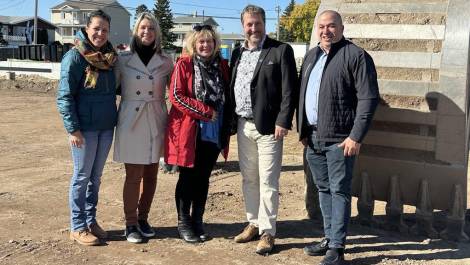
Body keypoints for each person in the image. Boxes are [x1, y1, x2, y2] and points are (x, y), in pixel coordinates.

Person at [298, 10, 379, 265]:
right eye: (322, 26)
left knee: (339, 192)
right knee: (323, 189)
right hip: (313, 138)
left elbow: (368, 99)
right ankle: (328, 236)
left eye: (331, 26)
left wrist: (356, 136)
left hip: (340, 140)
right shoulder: (311, 56)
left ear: (342, 28)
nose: (326, 31)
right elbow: (304, 94)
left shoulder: (356, 56)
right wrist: (302, 130)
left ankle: (337, 247)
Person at [229, 4, 298, 254]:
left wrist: (283, 120)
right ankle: (253, 223)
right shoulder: (237, 52)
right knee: (249, 178)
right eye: (249, 24)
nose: (253, 28)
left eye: (257, 23)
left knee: (268, 180)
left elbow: (290, 89)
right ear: (243, 26)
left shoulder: (280, 50)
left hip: (269, 128)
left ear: (264, 24)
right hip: (243, 124)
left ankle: (268, 232)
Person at [164, 24, 230, 243]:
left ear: (215, 44)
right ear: (194, 44)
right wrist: (205, 111)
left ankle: (198, 220)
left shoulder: (221, 66)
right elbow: (176, 96)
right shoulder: (184, 65)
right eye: (201, 41)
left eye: (209, 41)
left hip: (214, 130)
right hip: (190, 129)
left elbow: (228, 97)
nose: (205, 45)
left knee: (203, 177)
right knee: (187, 177)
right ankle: (183, 222)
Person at [56, 10, 117, 246]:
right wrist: (73, 130)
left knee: (96, 177)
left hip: (105, 127)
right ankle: (77, 226)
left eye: (104, 30)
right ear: (87, 28)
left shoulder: (110, 58)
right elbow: (64, 96)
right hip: (84, 130)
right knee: (81, 177)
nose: (100, 33)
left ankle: (91, 221)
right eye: (96, 29)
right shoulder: (75, 57)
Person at [113, 12, 173, 243]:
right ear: (136, 31)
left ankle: (143, 218)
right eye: (142, 28)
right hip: (131, 120)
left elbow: (176, 91)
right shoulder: (122, 59)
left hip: (156, 118)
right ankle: (130, 223)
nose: (146, 32)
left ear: (157, 32)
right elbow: (110, 89)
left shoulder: (166, 61)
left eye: (151, 28)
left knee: (151, 174)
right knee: (133, 175)